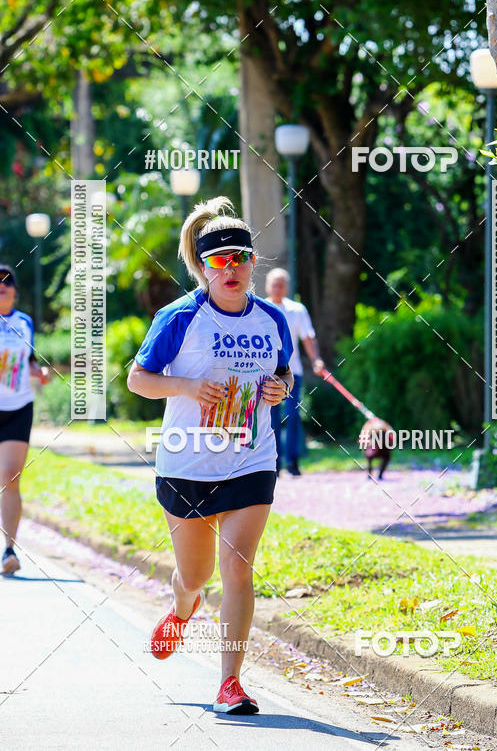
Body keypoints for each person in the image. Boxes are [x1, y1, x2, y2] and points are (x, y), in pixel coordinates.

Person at [127, 196, 293, 716]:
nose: (232, 269)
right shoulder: (179, 317)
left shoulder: (270, 319)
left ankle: (230, 684)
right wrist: (190, 385)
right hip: (187, 463)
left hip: (251, 458)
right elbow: (138, 380)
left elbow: (285, 373)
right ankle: (182, 607)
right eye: (220, 261)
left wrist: (279, 389)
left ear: (251, 263)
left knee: (238, 567)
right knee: (195, 577)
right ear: (202, 266)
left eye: (240, 258)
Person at [0, 264, 50, 574]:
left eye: (7, 282)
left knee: (10, 476)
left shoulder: (25, 323)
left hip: (19, 407)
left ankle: (8, 551)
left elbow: (29, 361)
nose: (1, 286)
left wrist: (39, 373)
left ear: (15, 291)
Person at [265, 268, 324, 477]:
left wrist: (316, 360)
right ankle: (274, 464)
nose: (277, 288)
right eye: (274, 284)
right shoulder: (260, 309)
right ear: (267, 286)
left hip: (293, 372)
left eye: (281, 285)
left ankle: (293, 462)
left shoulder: (297, 310)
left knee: (292, 416)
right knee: (270, 419)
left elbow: (308, 337)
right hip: (266, 375)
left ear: (286, 287)